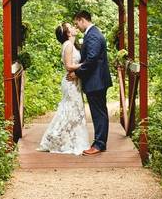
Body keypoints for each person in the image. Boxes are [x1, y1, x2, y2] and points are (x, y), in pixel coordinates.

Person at [37, 22, 91, 155]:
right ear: (68, 33)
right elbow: (68, 66)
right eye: (71, 27)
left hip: (75, 82)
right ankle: (55, 138)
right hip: (70, 83)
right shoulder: (68, 46)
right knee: (71, 111)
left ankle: (73, 140)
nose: (74, 27)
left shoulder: (72, 45)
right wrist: (86, 64)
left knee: (75, 111)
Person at [70, 10, 112, 155]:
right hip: (97, 80)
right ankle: (100, 142)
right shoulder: (93, 33)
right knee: (99, 112)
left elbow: (92, 59)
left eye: (77, 23)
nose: (77, 26)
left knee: (98, 113)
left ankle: (99, 145)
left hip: (96, 81)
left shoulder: (93, 35)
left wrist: (77, 73)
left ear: (82, 20)